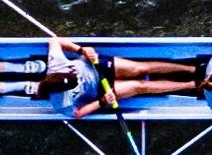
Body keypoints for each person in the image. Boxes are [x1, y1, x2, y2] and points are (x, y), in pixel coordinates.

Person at [30, 36, 199, 119]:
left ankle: (192, 69)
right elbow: (77, 113)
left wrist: (81, 51)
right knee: (139, 85)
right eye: (74, 81)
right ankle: (191, 84)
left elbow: (54, 41)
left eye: (73, 75)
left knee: (140, 68)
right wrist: (102, 102)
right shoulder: (61, 104)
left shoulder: (55, 64)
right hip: (100, 91)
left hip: (96, 65)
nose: (75, 76)